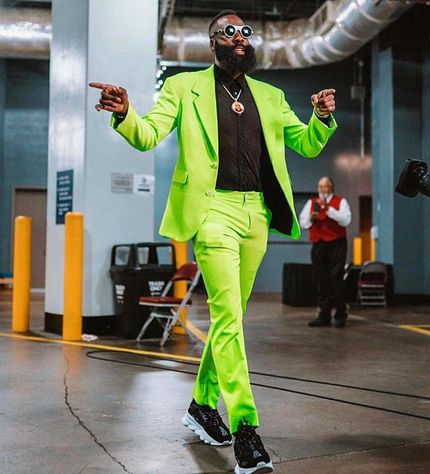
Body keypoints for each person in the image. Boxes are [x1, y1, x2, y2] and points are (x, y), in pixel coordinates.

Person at [90, 9, 337, 474]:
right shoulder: (185, 87)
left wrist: (320, 118)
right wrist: (125, 113)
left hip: (257, 216)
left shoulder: (270, 95)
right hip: (213, 213)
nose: (240, 37)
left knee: (231, 319)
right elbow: (149, 135)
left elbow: (305, 144)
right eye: (230, 31)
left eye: (246, 31)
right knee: (228, 315)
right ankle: (246, 428)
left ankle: (202, 404)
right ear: (213, 42)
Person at [299, 177, 351, 328]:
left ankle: (341, 314)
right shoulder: (312, 203)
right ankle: (324, 315)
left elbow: (346, 220)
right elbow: (303, 223)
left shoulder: (341, 202)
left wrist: (328, 209)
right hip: (319, 244)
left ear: (331, 188)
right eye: (320, 186)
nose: (322, 189)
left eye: (326, 186)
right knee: (321, 280)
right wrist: (311, 217)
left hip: (337, 244)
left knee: (336, 278)